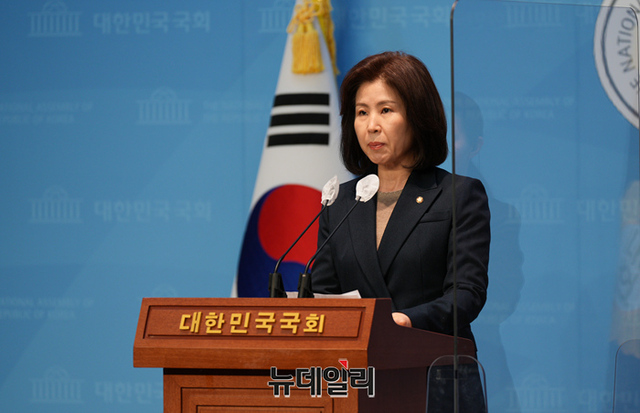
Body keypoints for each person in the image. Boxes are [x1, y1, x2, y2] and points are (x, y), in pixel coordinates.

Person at [311, 51, 491, 411]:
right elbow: (324, 294)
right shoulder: (341, 202)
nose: (371, 126)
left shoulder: (458, 195)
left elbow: (466, 294)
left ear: (418, 116)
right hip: (357, 382)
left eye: (386, 110)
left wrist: (405, 321)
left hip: (435, 379)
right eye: (362, 112)